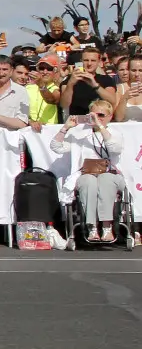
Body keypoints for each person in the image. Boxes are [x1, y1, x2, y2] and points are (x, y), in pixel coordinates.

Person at [51, 100, 125, 242]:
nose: (97, 118)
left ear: (110, 116)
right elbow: (56, 147)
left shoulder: (114, 132)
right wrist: (65, 128)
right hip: (86, 173)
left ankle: (106, 226)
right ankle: (91, 227)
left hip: (110, 173)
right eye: (93, 115)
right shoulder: (80, 133)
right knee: (88, 181)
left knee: (106, 179)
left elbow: (114, 149)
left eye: (101, 115)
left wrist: (100, 127)